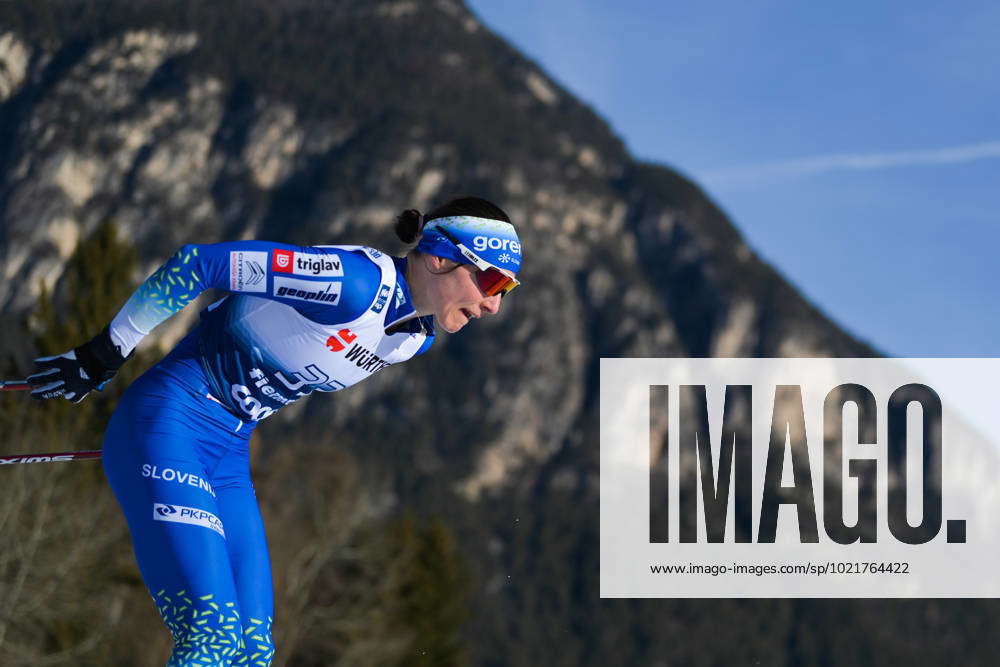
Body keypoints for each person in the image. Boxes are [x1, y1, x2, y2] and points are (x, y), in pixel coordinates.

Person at [26, 197, 522, 666]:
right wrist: (107, 350)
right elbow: (201, 263)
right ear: (438, 259)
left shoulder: (413, 339)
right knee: (210, 633)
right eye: (492, 281)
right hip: (170, 421)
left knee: (252, 651)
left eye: (506, 290)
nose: (494, 304)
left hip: (226, 457)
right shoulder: (352, 284)